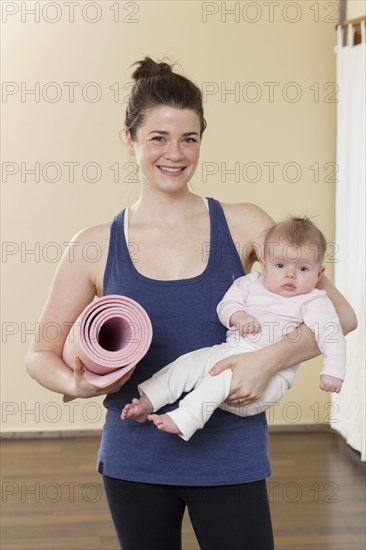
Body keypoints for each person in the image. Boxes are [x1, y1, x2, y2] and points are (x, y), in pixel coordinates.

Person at [26, 57, 357, 550]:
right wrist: (80, 382)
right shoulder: (94, 244)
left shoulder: (245, 225)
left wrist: (266, 360)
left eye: (189, 138)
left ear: (202, 139)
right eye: (158, 137)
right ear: (129, 140)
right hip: (136, 459)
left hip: (230, 455)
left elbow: (342, 315)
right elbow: (38, 355)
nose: (175, 154)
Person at [122, 217, 346, 441]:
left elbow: (331, 333)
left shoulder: (314, 301)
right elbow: (226, 305)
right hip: (229, 351)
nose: (290, 274)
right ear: (264, 264)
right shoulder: (250, 283)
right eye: (280, 265)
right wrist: (239, 317)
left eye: (303, 268)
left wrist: (333, 371)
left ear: (319, 274)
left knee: (222, 378)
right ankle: (148, 401)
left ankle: (186, 417)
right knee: (188, 364)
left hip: (269, 379)